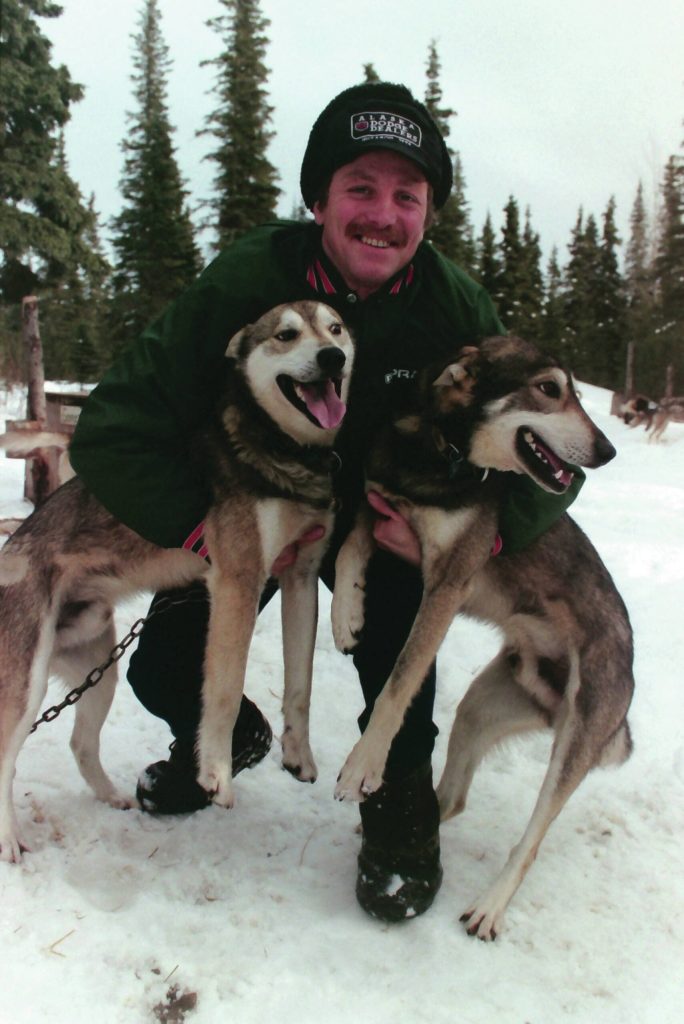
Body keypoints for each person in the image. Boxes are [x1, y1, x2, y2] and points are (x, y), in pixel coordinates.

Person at [69, 82, 582, 924]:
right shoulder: (249, 278)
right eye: (360, 188)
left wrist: (490, 540)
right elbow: (115, 427)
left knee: (396, 650)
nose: (383, 215)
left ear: (429, 214)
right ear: (319, 200)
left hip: (382, 522)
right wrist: (203, 530)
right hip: (262, 508)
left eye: (407, 196)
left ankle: (399, 805)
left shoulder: (455, 307)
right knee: (164, 666)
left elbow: (545, 442)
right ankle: (226, 740)